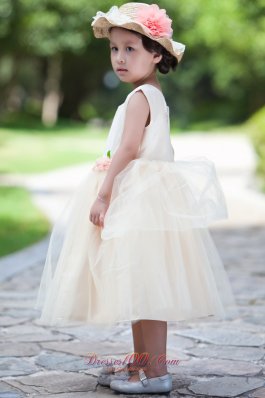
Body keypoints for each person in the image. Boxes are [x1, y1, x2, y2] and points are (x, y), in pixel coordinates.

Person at [34, 2, 239, 394]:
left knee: (144, 289)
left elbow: (127, 150)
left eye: (131, 48)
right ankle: (143, 364)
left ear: (156, 53)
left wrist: (103, 193)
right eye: (114, 49)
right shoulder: (154, 95)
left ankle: (157, 373)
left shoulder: (138, 98)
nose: (120, 58)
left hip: (135, 198)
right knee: (142, 286)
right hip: (150, 199)